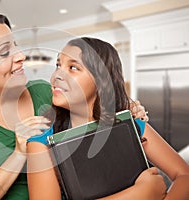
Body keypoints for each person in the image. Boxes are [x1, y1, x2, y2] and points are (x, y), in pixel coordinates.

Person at [0, 10, 148, 199]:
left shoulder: (43, 92)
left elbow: (94, 106)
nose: (21, 56)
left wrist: (127, 108)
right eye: (5, 52)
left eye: (15, 45)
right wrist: (18, 155)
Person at [26, 37, 189, 200]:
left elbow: (184, 176)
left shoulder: (131, 125)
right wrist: (139, 194)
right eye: (58, 65)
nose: (57, 76)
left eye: (73, 67)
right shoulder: (41, 143)